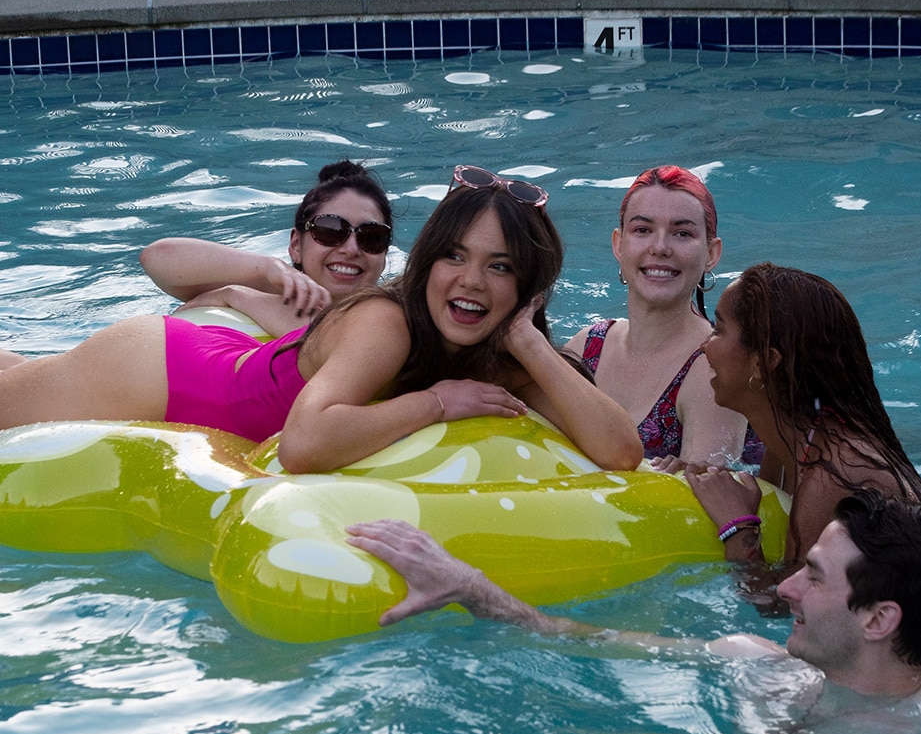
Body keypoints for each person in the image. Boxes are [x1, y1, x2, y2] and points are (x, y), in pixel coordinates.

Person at [0, 166, 643, 475]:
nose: (471, 280)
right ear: (426, 260)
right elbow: (306, 444)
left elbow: (620, 451)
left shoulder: (498, 347)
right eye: (454, 255)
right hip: (160, 373)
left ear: (526, 287)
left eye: (500, 267)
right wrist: (437, 404)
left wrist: (529, 342)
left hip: (241, 360)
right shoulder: (387, 323)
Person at [345, 490, 921, 721]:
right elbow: (573, 638)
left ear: (879, 619)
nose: (787, 589)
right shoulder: (759, 662)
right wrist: (471, 587)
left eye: (815, 577)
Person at [684, 262, 921, 564]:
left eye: (718, 330)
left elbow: (786, 605)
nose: (703, 346)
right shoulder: (790, 441)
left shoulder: (832, 478)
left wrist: (737, 526)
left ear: (763, 363)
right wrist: (686, 479)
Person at [563, 165, 754, 466]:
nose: (660, 247)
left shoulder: (717, 369)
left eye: (682, 233)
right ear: (618, 244)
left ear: (711, 254)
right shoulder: (586, 347)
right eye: (642, 230)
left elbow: (708, 501)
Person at [139, 159, 394, 338]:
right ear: (296, 245)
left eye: (372, 236)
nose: (351, 249)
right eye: (330, 230)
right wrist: (265, 268)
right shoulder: (268, 286)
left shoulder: (395, 311)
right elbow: (156, 258)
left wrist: (233, 296)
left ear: (384, 255)